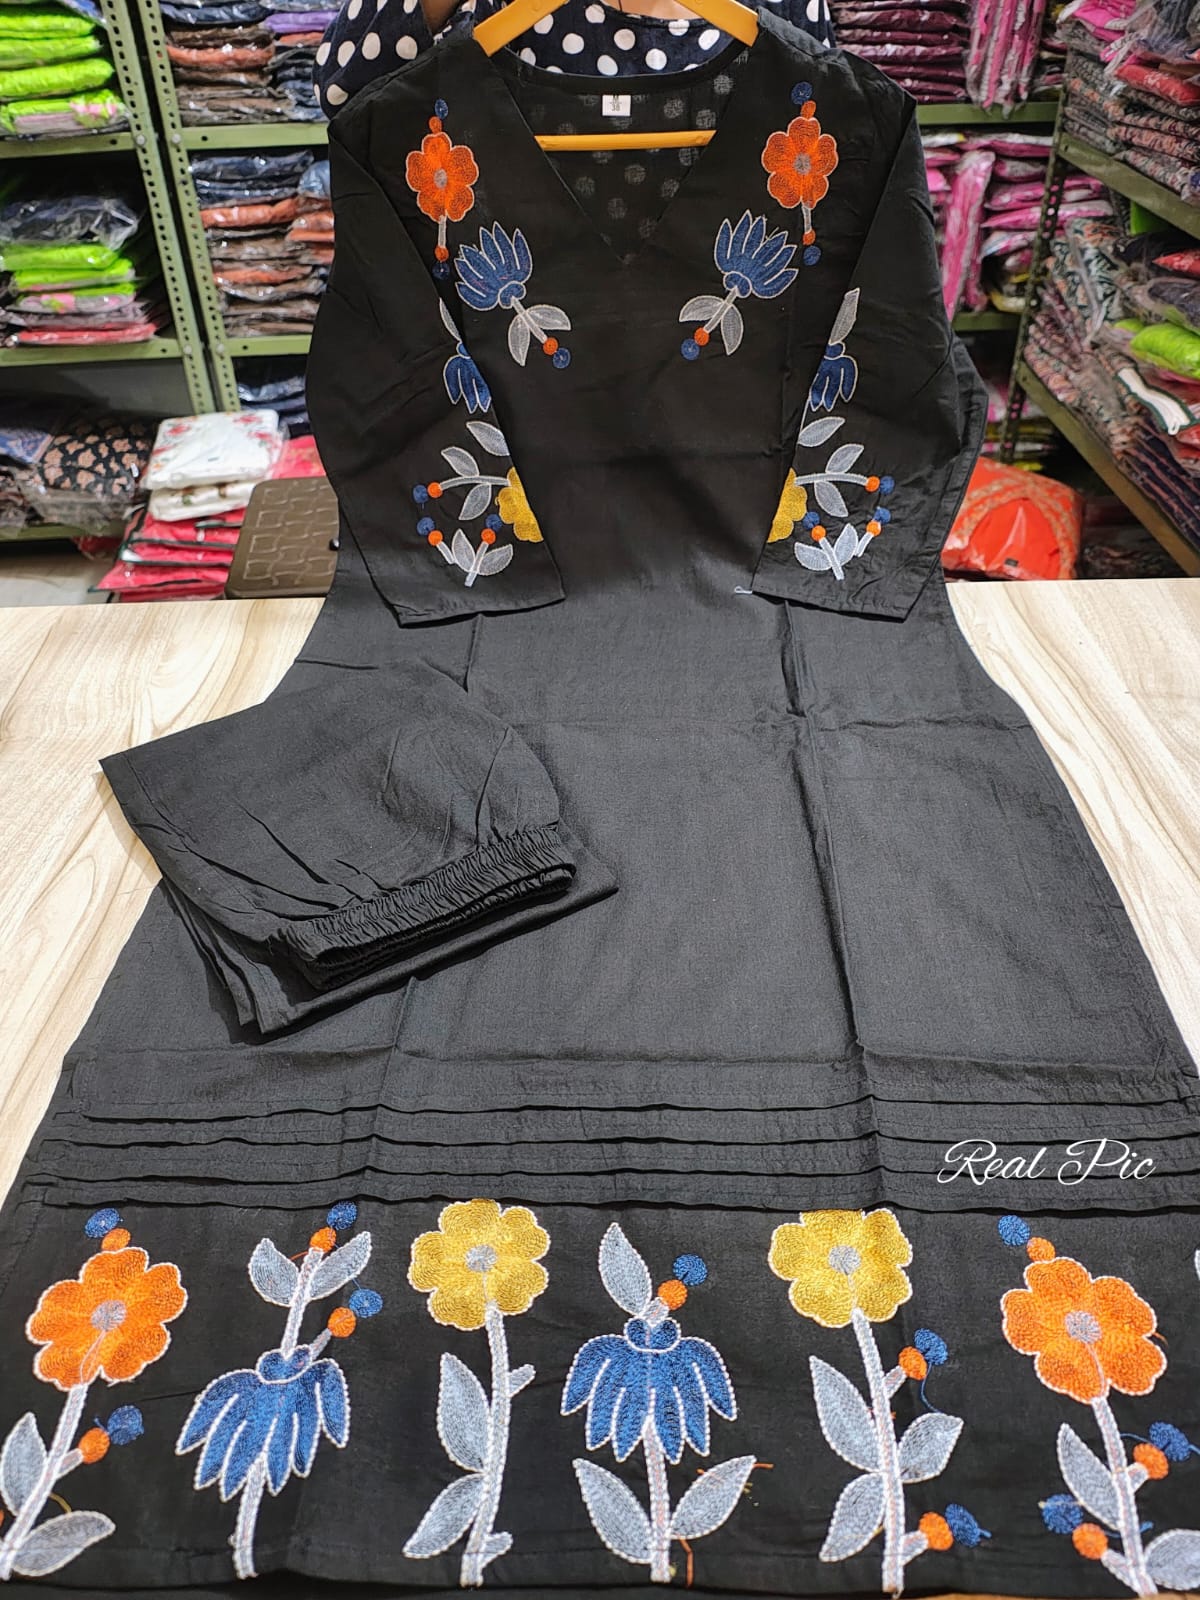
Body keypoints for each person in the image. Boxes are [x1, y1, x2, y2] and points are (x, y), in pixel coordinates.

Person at [315, 0, 835, 115]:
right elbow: (345, 93)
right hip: (513, 330)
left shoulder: (782, 8)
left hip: (728, 333)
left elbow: (825, 131)